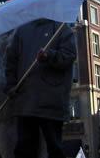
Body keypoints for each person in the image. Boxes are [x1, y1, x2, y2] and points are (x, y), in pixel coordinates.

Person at [5, 18, 77, 158]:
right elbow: (11, 61)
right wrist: (11, 85)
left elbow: (69, 56)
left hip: (50, 101)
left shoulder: (61, 28)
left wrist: (49, 56)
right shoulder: (21, 31)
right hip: (26, 101)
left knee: (54, 148)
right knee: (25, 148)